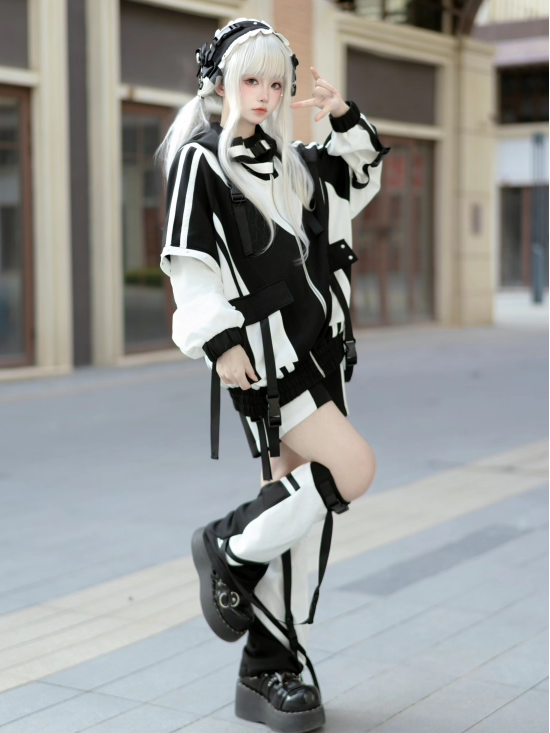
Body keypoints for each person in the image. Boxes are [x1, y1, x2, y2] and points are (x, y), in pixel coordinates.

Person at [157, 18, 389, 733]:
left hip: (320, 352)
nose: (264, 94)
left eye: (276, 83)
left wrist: (343, 118)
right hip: (267, 356)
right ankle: (226, 547)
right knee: (352, 469)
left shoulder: (294, 163)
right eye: (250, 80)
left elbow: (357, 179)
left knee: (300, 516)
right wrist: (221, 342)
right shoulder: (202, 161)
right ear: (221, 83)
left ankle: (269, 667)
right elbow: (190, 265)